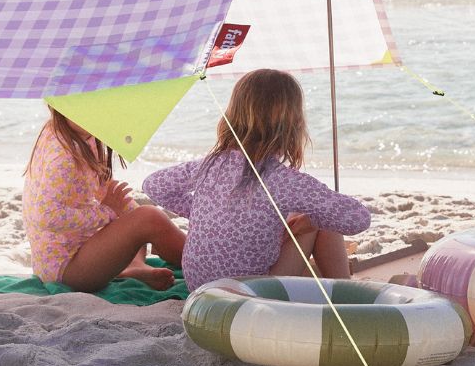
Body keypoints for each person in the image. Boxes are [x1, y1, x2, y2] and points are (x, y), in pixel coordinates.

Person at [142, 69, 370, 293]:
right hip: (252, 295)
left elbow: (153, 185)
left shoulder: (210, 165)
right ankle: (345, 293)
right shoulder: (287, 180)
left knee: (290, 216)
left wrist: (205, 209)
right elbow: (359, 219)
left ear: (231, 117)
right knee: (321, 223)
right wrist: (314, 221)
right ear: (294, 125)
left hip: (201, 290)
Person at [22, 108, 186, 293]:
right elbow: (46, 216)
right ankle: (205, 261)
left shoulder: (78, 134)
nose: (94, 111)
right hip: (66, 268)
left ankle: (133, 266)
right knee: (149, 217)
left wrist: (125, 212)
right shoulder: (63, 156)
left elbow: (96, 188)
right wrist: (108, 212)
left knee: (135, 214)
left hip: (82, 247)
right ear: (60, 105)